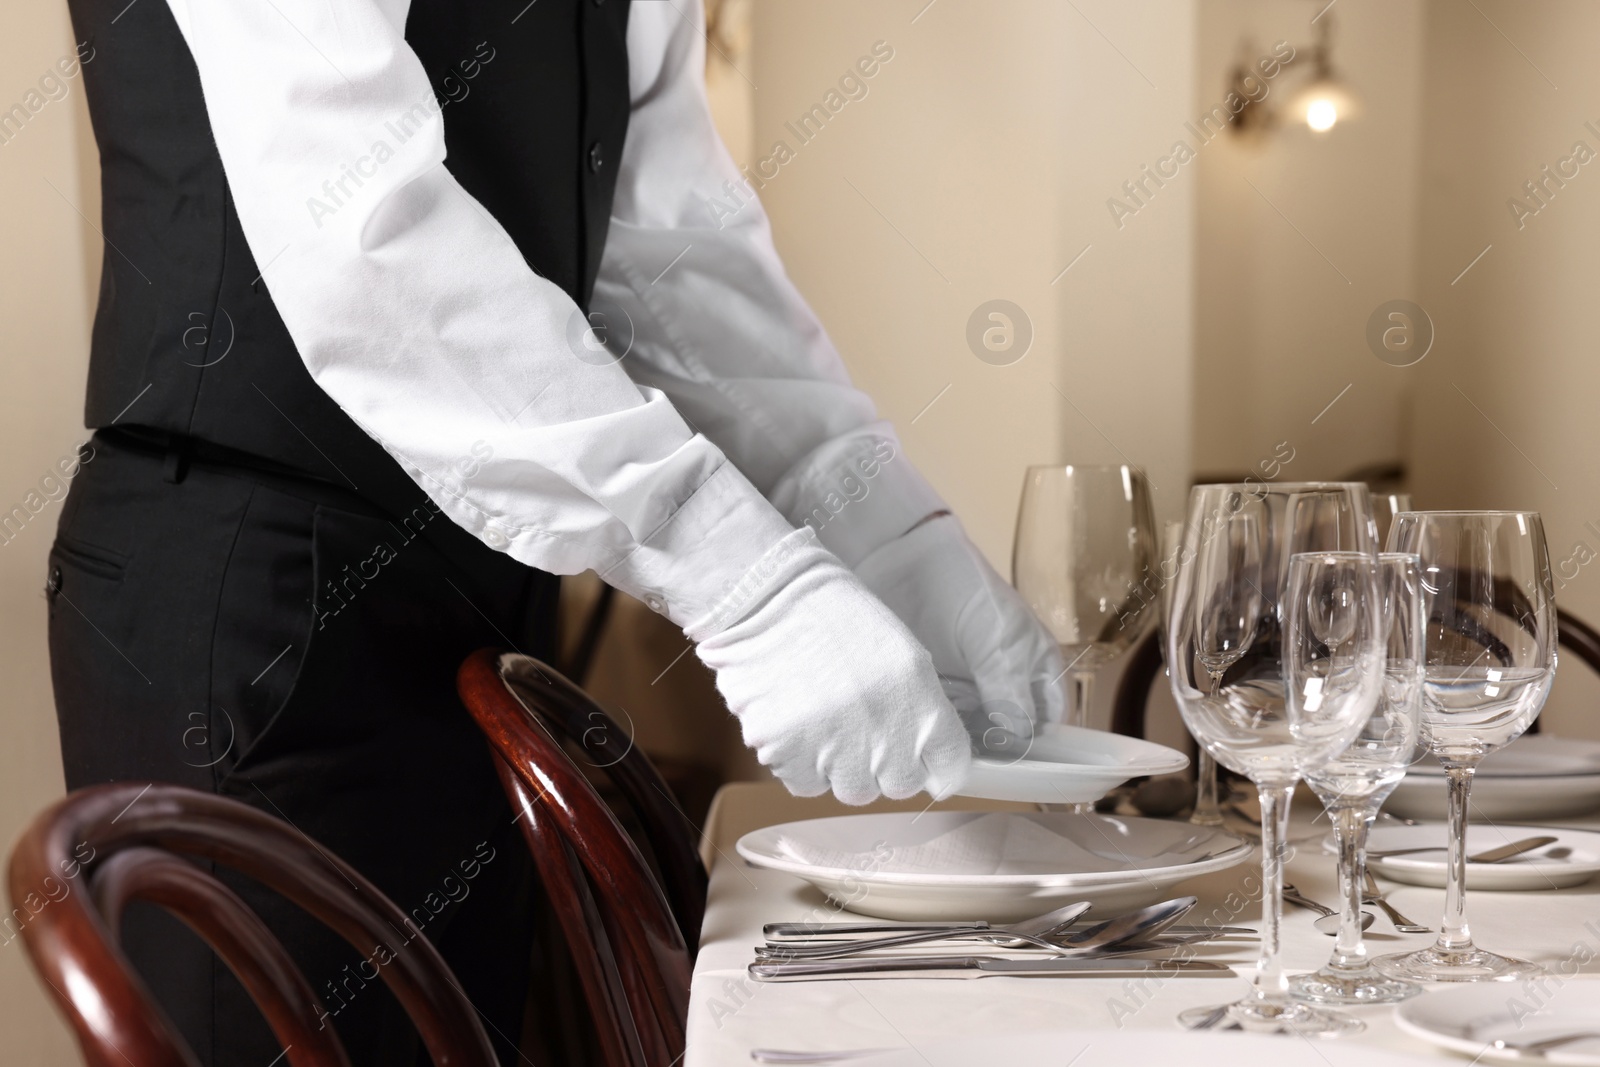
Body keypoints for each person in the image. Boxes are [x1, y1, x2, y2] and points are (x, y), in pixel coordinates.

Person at [48, 0, 1063, 1061]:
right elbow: (355, 218)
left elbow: (664, 251)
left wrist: (885, 528)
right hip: (250, 605)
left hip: (474, 614)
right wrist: (738, 576)